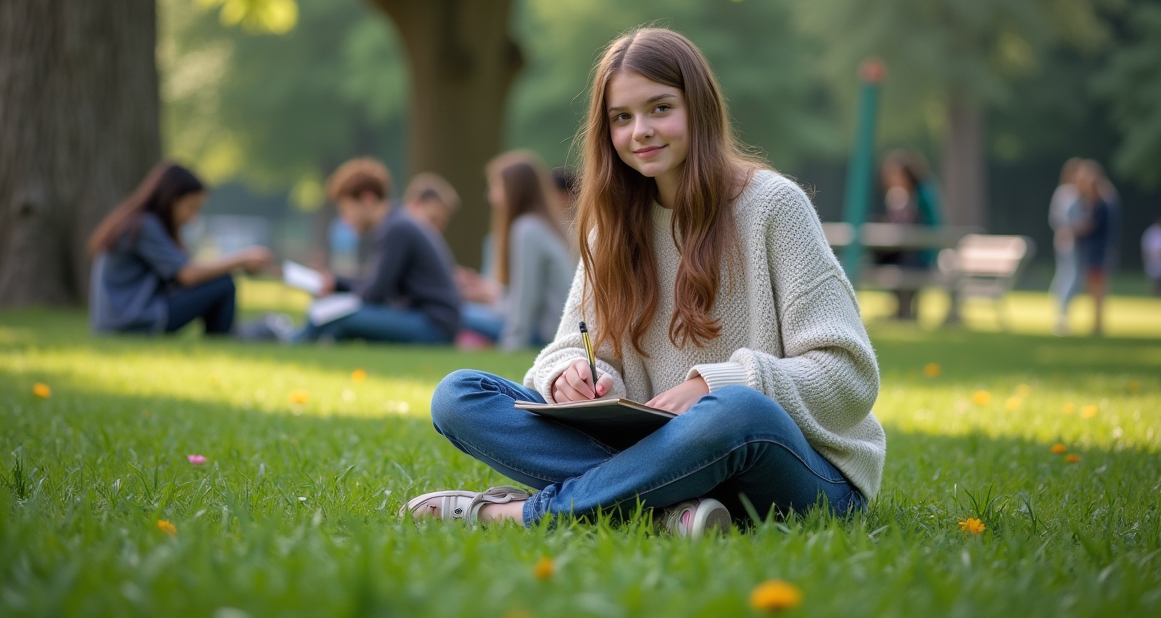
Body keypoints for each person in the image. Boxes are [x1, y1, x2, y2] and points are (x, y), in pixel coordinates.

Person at [403, 28, 883, 535]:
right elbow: (567, 346)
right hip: (661, 454)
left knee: (736, 411)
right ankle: (666, 510)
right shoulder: (608, 224)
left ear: (698, 107)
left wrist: (709, 386)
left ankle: (520, 514)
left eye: (660, 108)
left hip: (796, 471)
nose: (641, 132)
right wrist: (571, 375)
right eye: (622, 118)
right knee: (459, 395)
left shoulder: (774, 207)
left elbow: (848, 375)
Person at [88, 161, 272, 335]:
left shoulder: (138, 221)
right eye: (191, 207)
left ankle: (236, 335)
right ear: (171, 199)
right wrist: (241, 259)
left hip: (118, 320)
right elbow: (188, 275)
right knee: (223, 284)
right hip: (132, 320)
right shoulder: (145, 226)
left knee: (218, 282)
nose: (193, 218)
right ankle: (226, 340)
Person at [295, 158, 461, 344]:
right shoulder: (397, 222)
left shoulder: (396, 229)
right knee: (335, 319)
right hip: (428, 320)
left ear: (367, 199)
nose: (346, 219)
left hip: (432, 325)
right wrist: (337, 283)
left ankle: (290, 340)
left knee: (331, 315)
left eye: (346, 209)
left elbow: (374, 294)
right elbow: (374, 282)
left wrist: (338, 293)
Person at [459, 157, 576, 350]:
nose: (491, 196)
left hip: (542, 333)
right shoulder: (540, 225)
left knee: (454, 313)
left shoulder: (527, 229)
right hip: (546, 328)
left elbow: (525, 304)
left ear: (514, 190)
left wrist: (511, 347)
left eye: (496, 188)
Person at [875, 149, 944, 321]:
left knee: (902, 264)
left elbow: (924, 227)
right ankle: (902, 311)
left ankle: (905, 312)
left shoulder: (922, 195)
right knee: (882, 260)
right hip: (910, 251)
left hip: (924, 255)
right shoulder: (903, 195)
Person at [1074, 160, 1114, 336]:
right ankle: (1096, 323)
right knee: (1093, 288)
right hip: (1094, 250)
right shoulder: (1096, 202)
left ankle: (1098, 324)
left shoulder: (1103, 203)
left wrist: (1076, 228)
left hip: (1100, 251)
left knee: (1098, 288)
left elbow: (1092, 226)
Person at [1048, 158, 1085, 335]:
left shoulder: (1071, 192)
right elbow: (1058, 219)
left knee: (1068, 275)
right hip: (1067, 240)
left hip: (1071, 240)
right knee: (1069, 276)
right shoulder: (1067, 192)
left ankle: (1062, 312)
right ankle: (1062, 312)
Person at [1143, 217, 1161, 297]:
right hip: (1152, 260)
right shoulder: (1150, 232)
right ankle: (1154, 294)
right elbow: (1146, 246)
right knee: (1153, 279)